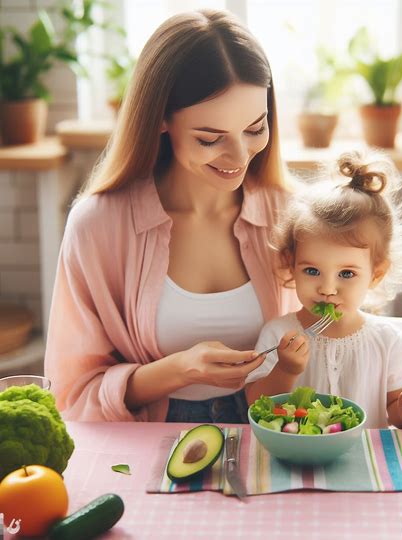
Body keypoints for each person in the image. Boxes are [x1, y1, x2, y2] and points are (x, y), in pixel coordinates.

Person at [44, 9, 300, 423]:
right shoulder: (97, 226)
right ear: (161, 119)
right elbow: (72, 393)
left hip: (277, 430)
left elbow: (342, 333)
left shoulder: (290, 213)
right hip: (147, 440)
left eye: (255, 129)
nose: (239, 159)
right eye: (210, 138)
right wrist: (178, 371)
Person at [245, 150, 402, 428]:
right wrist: (286, 369)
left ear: (375, 274)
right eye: (312, 271)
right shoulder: (278, 334)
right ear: (291, 264)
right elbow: (255, 404)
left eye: (347, 273)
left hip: (365, 464)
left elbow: (394, 410)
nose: (328, 289)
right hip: (297, 458)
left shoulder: (386, 340)